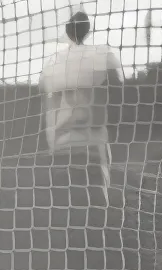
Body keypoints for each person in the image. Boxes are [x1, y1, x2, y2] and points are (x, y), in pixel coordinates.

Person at [39, 11, 124, 204]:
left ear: (68, 31)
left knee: (63, 207)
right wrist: (114, 124)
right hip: (92, 140)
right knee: (96, 205)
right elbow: (117, 90)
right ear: (88, 30)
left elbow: (45, 99)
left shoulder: (52, 62)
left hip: (60, 143)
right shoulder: (102, 54)